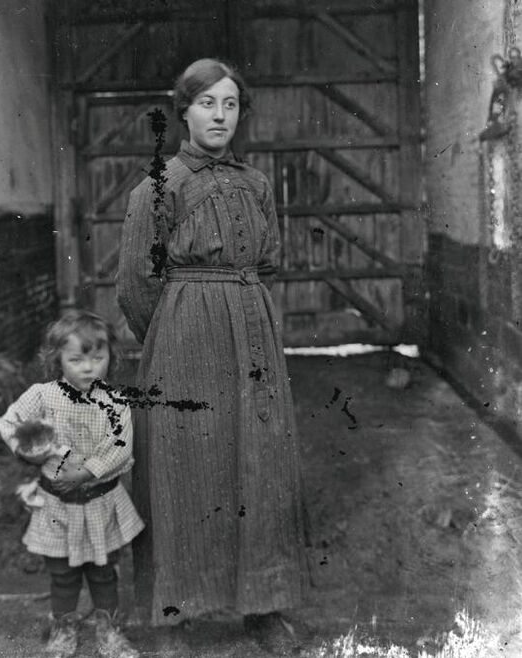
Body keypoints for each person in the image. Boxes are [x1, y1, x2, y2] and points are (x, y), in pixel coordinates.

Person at [116, 58, 309, 656]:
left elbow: (268, 261)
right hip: (184, 338)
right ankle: (174, 614)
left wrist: (239, 310)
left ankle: (263, 607)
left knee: (261, 461)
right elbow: (136, 284)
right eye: (207, 103)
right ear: (184, 112)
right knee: (184, 466)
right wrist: (175, 337)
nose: (219, 115)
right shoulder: (159, 185)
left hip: (251, 333)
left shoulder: (257, 185)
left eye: (230, 104)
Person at [0, 309, 144, 658]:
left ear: (111, 357)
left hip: (100, 501)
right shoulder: (43, 395)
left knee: (104, 572)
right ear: (58, 360)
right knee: (62, 574)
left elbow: (120, 447)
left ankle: (109, 631)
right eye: (76, 360)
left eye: (98, 358)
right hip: (57, 506)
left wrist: (85, 472)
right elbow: (9, 422)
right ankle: (64, 628)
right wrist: (29, 451)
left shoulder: (115, 403)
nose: (88, 368)